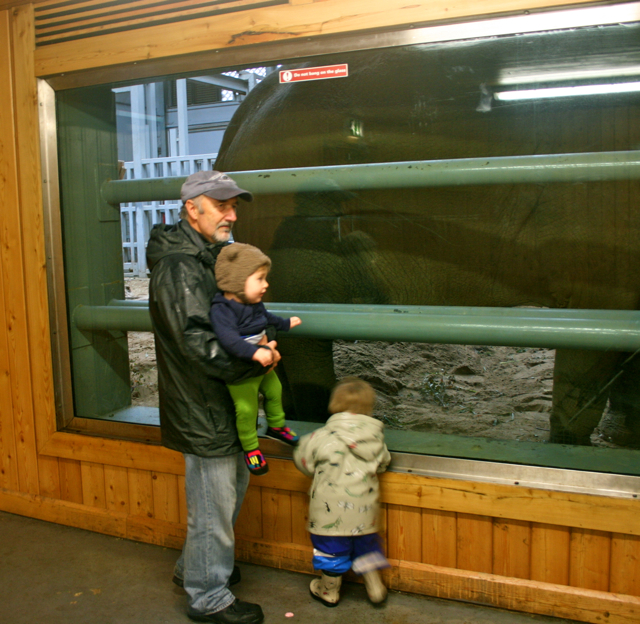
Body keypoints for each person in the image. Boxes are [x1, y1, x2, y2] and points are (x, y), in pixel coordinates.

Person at [146, 170, 275, 624]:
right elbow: (196, 343)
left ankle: (196, 568)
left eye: (233, 206)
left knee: (226, 495)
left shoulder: (207, 256)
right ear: (191, 208)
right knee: (213, 507)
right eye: (221, 206)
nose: (231, 215)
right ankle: (208, 596)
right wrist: (256, 359)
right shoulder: (179, 267)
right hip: (202, 405)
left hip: (219, 400)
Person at [293, 377, 392, 607]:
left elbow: (302, 460)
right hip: (365, 512)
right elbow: (384, 463)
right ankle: (375, 588)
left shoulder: (320, 437)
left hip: (329, 513)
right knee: (366, 546)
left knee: (332, 551)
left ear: (335, 404)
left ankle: (328, 591)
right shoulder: (376, 438)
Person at [210, 243, 301, 475]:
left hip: (262, 366)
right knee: (246, 409)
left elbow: (266, 318)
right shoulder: (222, 310)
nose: (266, 284)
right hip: (241, 372)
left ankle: (276, 426)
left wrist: (285, 323)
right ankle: (250, 447)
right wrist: (256, 352)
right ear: (237, 280)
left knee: (275, 391)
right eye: (260, 279)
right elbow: (228, 339)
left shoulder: (253, 303)